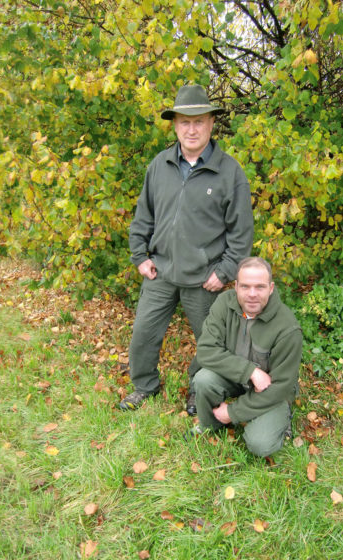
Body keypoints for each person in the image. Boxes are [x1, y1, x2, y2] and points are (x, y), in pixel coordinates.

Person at [118, 84, 254, 414]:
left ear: (211, 124)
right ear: (175, 125)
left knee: (211, 342)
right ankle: (145, 386)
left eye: (199, 121)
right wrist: (140, 257)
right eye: (184, 122)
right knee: (143, 334)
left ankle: (199, 388)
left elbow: (241, 233)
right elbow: (143, 215)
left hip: (203, 278)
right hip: (161, 271)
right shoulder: (159, 165)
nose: (191, 129)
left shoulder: (229, 172)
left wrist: (223, 272)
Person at [192, 257, 303, 457]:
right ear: (236, 286)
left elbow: (281, 387)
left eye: (259, 287)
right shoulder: (224, 303)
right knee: (203, 379)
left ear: (271, 288)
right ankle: (211, 425)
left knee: (261, 445)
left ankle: (282, 418)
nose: (252, 294)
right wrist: (250, 371)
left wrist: (233, 412)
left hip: (270, 391)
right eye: (245, 286)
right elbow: (206, 350)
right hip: (237, 377)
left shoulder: (288, 328)